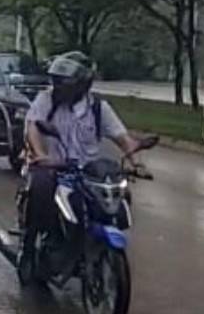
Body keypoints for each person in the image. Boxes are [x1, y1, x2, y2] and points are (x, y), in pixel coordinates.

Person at [21, 51, 145, 270]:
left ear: (82, 83)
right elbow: (33, 127)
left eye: (64, 82)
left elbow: (122, 138)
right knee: (41, 187)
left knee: (118, 191)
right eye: (56, 81)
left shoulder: (99, 108)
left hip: (88, 172)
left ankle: (100, 238)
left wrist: (136, 162)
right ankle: (33, 247)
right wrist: (41, 155)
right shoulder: (46, 100)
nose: (58, 86)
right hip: (54, 168)